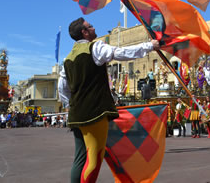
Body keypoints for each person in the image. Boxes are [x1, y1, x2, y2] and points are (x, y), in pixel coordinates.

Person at [58, 17, 159, 183]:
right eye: (90, 26)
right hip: (94, 112)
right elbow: (120, 53)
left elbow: (62, 88)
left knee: (80, 157)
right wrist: (149, 46)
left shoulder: (68, 59)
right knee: (94, 158)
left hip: (77, 114)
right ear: (84, 32)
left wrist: (71, 104)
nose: (93, 28)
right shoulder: (95, 47)